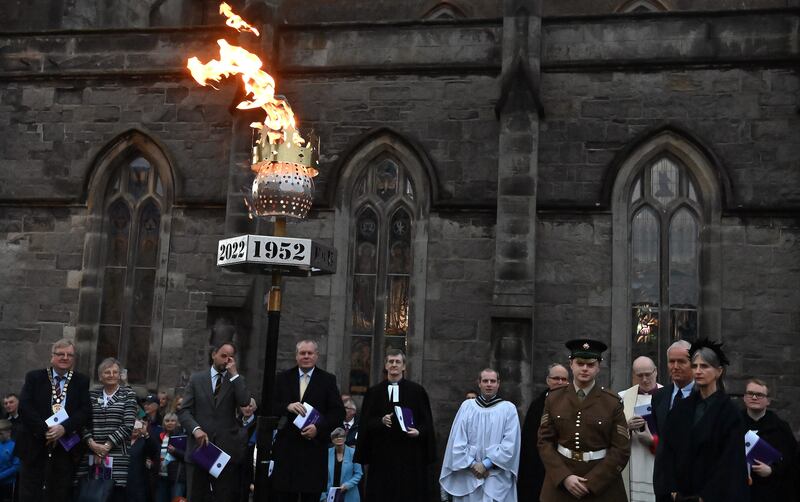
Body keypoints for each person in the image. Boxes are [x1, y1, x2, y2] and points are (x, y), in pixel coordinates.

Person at [655, 338, 748, 502]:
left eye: (704, 366)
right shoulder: (680, 409)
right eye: (695, 366)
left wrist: (706, 496)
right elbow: (667, 453)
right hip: (680, 495)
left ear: (718, 371)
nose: (698, 371)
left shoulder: (729, 412)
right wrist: (672, 490)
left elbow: (730, 461)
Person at [537, 339, 630, 502]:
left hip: (602, 485)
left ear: (598, 367)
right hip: (560, 484)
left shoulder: (612, 402)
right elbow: (544, 443)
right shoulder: (554, 398)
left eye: (590, 364)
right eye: (580, 363)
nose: (585, 368)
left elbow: (621, 450)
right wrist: (564, 477)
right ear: (571, 364)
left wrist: (592, 482)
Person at [355, 349, 436, 502]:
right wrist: (381, 421)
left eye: (397, 362)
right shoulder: (374, 392)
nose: (394, 365)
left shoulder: (417, 392)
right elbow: (365, 423)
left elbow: (427, 424)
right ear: (385, 365)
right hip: (382, 456)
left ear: (404, 367)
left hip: (410, 456)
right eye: (390, 361)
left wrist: (418, 432)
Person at [15, 338, 91, 501]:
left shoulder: (81, 381)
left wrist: (64, 428)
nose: (65, 357)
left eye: (69, 355)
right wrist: (46, 430)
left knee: (58, 492)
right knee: (31, 492)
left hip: (65, 446)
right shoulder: (35, 377)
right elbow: (25, 407)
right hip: (35, 445)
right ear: (52, 356)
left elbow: (84, 411)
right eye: (60, 354)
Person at [271, 340, 345, 502]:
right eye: (302, 353)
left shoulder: (327, 380)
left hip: (313, 450)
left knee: (310, 497)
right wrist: (287, 406)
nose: (306, 356)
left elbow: (338, 412)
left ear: (316, 356)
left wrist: (318, 428)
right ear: (296, 356)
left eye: (310, 353)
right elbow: (268, 406)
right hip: (287, 449)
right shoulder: (282, 378)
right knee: (284, 496)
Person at [178, 341, 251, 502]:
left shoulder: (235, 380)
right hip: (200, 448)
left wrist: (235, 374)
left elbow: (245, 401)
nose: (226, 360)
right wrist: (196, 429)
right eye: (223, 356)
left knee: (222, 497)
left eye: (230, 357)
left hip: (223, 451)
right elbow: (184, 411)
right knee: (196, 496)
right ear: (214, 355)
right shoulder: (197, 379)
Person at [440, 368, 520, 502]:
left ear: (498, 383)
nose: (489, 384)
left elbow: (510, 444)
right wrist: (473, 465)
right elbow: (457, 441)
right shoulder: (467, 406)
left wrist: (486, 464)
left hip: (495, 476)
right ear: (479, 383)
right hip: (468, 475)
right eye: (485, 381)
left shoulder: (508, 409)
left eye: (493, 381)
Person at [75, 357, 138, 501]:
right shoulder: (91, 395)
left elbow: (128, 425)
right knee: (91, 494)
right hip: (91, 453)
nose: (111, 375)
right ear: (100, 376)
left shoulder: (128, 395)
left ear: (119, 375)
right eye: (107, 372)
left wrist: (105, 447)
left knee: (112, 495)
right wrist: (92, 444)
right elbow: (82, 422)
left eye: (115, 372)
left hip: (116, 456)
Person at [517, 363, 569, 502]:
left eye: (564, 379)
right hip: (538, 467)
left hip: (565, 468)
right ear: (548, 380)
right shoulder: (537, 405)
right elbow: (528, 440)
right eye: (556, 378)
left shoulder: (574, 404)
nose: (560, 382)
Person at [741, 378, 797, 501]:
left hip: (770, 493)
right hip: (739, 491)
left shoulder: (780, 428)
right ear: (744, 398)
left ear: (768, 401)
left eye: (760, 395)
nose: (754, 397)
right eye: (750, 393)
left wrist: (772, 470)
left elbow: (791, 460)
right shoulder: (733, 424)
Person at [650, 340, 693, 502]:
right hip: (664, 484)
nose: (675, 366)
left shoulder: (705, 397)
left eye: (681, 361)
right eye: (671, 361)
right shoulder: (660, 396)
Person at [618, 356, 662, 502]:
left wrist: (652, 440)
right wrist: (626, 427)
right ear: (633, 375)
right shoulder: (622, 398)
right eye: (639, 375)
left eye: (648, 374)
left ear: (655, 372)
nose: (644, 379)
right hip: (633, 462)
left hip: (660, 462)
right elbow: (610, 433)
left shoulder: (669, 396)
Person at [322, 427, 363, 502]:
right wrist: (323, 497)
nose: (339, 439)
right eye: (336, 437)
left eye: (341, 437)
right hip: (329, 496)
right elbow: (321, 476)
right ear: (332, 440)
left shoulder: (353, 453)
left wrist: (347, 485)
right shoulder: (326, 453)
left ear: (345, 439)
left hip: (349, 495)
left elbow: (358, 474)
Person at [126, 420, 160, 502]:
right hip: (124, 481)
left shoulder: (144, 441)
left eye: (137, 427)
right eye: (132, 427)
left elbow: (154, 451)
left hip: (139, 481)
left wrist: (146, 434)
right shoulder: (123, 441)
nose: (134, 429)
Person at [156, 413, 187, 502]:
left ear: (178, 423)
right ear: (163, 423)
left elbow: (188, 456)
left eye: (173, 421)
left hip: (177, 477)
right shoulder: (160, 436)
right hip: (161, 476)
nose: (169, 423)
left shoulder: (182, 436)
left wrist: (175, 451)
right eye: (167, 421)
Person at [237, 398, 257, 502]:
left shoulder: (259, 424)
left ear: (255, 408)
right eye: (245, 405)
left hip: (250, 467)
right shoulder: (235, 422)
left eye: (250, 406)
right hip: (235, 466)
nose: (247, 408)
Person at [0, 420, 19, 502]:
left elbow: (16, 467)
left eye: (1, 434)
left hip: (9, 484)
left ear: (9, 432)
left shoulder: (14, 446)